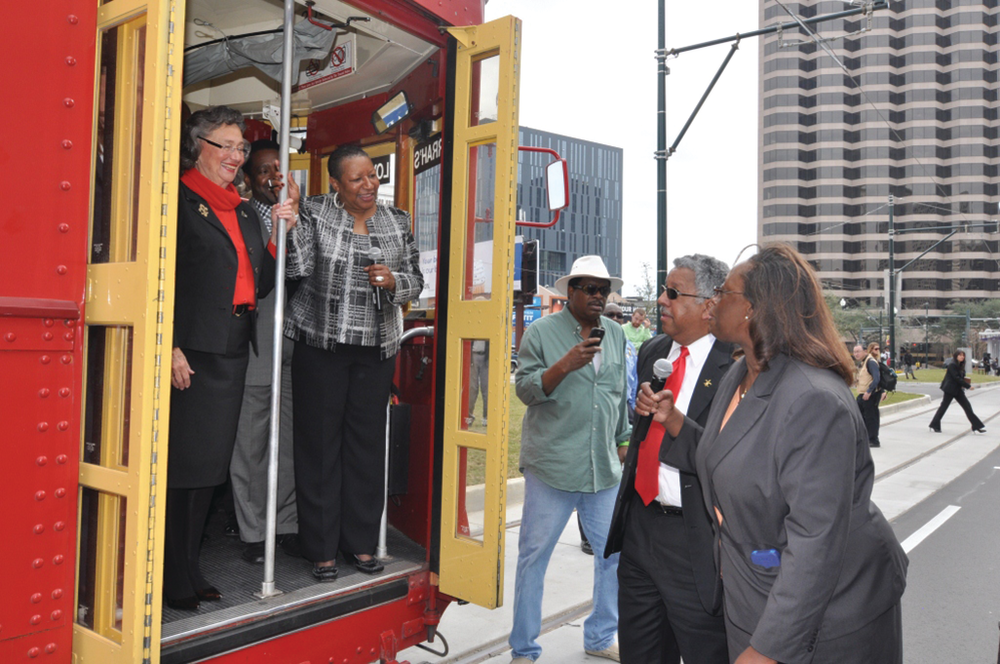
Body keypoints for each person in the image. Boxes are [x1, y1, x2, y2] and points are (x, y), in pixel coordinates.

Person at [646, 243, 908, 664]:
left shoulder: (813, 400)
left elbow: (815, 542)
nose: (712, 303)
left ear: (754, 309)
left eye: (724, 294)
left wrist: (767, 650)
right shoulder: (740, 374)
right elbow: (732, 459)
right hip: (755, 593)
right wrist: (674, 420)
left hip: (832, 616)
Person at [166, 106, 296, 610]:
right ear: (200, 146)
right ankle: (172, 574)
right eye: (228, 146)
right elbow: (163, 278)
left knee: (210, 472)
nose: (237, 156)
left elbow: (261, 283)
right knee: (184, 469)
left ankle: (190, 568)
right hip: (190, 353)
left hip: (234, 350)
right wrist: (170, 344)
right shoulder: (177, 199)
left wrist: (281, 230)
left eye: (241, 148)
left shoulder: (242, 209)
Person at [285, 144, 423, 581]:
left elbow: (416, 279)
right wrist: (290, 221)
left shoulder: (396, 220)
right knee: (320, 449)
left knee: (366, 449)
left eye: (373, 175)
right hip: (321, 346)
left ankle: (360, 545)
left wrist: (395, 280)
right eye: (357, 179)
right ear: (336, 184)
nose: (369, 185)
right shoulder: (314, 211)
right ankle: (322, 550)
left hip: (376, 349)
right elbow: (296, 267)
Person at [605, 254, 731, 664]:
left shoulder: (738, 365)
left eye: (673, 293)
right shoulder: (655, 351)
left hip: (694, 537)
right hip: (641, 529)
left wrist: (676, 421)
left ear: (709, 305)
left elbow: (729, 457)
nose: (661, 300)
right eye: (664, 290)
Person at [510, 255, 631, 663]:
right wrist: (565, 365)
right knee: (533, 560)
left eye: (604, 289)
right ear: (571, 292)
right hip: (553, 466)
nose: (600, 296)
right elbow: (525, 389)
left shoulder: (615, 334)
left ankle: (599, 636)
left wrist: (624, 442)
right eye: (591, 289)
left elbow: (617, 395)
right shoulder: (541, 332)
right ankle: (524, 650)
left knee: (613, 557)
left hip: (603, 470)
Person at [230, 140, 301, 564]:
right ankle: (254, 530)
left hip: (297, 340)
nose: (272, 175)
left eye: (279, 166)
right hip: (259, 340)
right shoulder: (242, 216)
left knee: (290, 439)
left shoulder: (301, 211)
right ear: (249, 180)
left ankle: (286, 523)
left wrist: (296, 214)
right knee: (252, 441)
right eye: (262, 171)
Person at [579, 302, 638, 557]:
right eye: (611, 314)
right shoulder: (588, 346)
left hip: (625, 410)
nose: (616, 318)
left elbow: (629, 381)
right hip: (591, 423)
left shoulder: (627, 344)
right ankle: (587, 537)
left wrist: (625, 433)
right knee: (585, 486)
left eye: (619, 315)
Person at [929, 350, 986, 434]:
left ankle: (976, 425)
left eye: (963, 355)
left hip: (958, 390)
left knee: (967, 406)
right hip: (950, 389)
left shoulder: (960, 365)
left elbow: (961, 378)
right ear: (956, 356)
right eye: (960, 355)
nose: (962, 357)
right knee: (943, 407)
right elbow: (956, 378)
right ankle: (934, 424)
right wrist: (968, 386)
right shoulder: (952, 365)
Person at [856, 341, 886, 448]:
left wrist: (869, 391)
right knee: (860, 416)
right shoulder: (864, 362)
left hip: (870, 395)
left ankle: (873, 440)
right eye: (854, 352)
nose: (856, 354)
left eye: (858, 352)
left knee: (871, 417)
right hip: (862, 394)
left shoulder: (871, 362)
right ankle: (865, 438)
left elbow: (877, 378)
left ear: (865, 351)